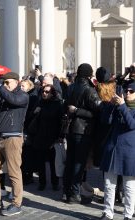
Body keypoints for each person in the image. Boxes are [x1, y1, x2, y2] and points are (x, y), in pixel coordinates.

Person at [0, 72, 29, 216]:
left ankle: (17, 203)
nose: (6, 85)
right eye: (5, 82)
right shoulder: (4, 95)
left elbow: (12, 100)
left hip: (13, 138)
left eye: (8, 82)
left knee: (14, 172)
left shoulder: (22, 95)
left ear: (16, 82)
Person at [63, 63, 101, 203]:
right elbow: (98, 110)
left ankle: (67, 191)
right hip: (83, 131)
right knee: (78, 163)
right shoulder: (89, 90)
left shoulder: (71, 86)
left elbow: (65, 106)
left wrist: (74, 110)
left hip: (71, 129)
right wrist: (78, 111)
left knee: (70, 162)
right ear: (89, 75)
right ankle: (74, 193)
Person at [99, 82, 135, 220]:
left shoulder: (125, 107)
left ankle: (128, 214)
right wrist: (111, 106)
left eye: (131, 91)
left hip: (130, 150)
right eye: (126, 90)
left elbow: (131, 125)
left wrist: (122, 106)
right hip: (113, 149)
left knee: (129, 186)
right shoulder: (118, 106)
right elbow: (105, 121)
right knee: (109, 184)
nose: (127, 93)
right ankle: (108, 212)